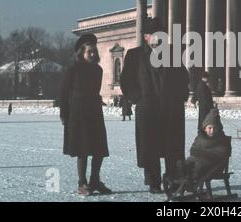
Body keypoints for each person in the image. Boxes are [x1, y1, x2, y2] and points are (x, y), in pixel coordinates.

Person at [120, 17, 189, 194]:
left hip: (170, 108)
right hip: (148, 109)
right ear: (146, 37)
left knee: (171, 146)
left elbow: (183, 77)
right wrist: (138, 99)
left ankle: (173, 178)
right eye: (154, 35)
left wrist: (181, 96)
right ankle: (153, 181)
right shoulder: (134, 55)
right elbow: (126, 81)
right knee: (150, 146)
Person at [59, 33, 112, 196]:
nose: (93, 54)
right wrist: (64, 115)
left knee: (99, 148)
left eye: (94, 51)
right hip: (78, 114)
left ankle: (95, 180)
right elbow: (63, 93)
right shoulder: (73, 69)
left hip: (94, 112)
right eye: (89, 51)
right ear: (81, 52)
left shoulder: (98, 70)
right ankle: (82, 183)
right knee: (82, 149)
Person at [176, 108, 231, 189]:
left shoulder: (222, 140)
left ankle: (189, 180)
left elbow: (221, 153)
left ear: (219, 129)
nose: (212, 131)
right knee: (184, 164)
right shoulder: (200, 138)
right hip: (196, 161)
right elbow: (193, 149)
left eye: (215, 128)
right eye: (210, 128)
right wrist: (199, 154)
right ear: (205, 128)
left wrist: (201, 154)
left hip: (213, 166)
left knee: (198, 166)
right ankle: (184, 178)